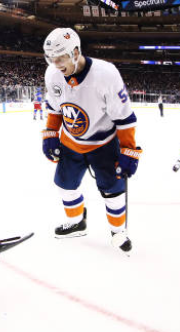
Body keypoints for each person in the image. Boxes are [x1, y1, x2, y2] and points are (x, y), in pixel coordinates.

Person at [41, 28, 141, 253]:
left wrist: (129, 150)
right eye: (51, 59)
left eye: (60, 58)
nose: (55, 64)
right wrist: (50, 133)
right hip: (70, 143)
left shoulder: (106, 74)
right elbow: (55, 109)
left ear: (75, 52)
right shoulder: (52, 74)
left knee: (113, 191)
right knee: (65, 187)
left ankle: (118, 232)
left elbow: (124, 117)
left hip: (103, 145)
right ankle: (77, 222)